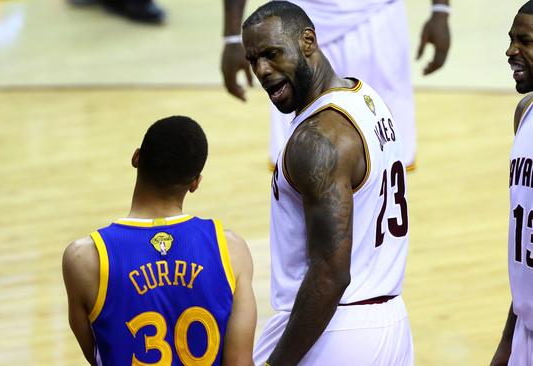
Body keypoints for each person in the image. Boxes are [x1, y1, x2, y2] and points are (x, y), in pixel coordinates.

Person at [242, 2, 412, 365]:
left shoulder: (317, 140)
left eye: (272, 54)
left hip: (335, 331)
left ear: (308, 41)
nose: (262, 71)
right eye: (253, 60)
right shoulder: (366, 98)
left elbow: (331, 273)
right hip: (390, 322)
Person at [62, 116, 256, 365]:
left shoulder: (84, 259)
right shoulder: (231, 250)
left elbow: (98, 355)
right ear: (195, 183)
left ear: (136, 158)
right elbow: (239, 362)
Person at [222, 0, 451, 170]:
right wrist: (232, 37)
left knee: (386, 162)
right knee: (300, 165)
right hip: (295, 25)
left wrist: (441, 10)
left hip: (378, 18)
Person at [491, 2, 533, 365]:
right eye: (511, 39)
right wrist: (507, 342)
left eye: (525, 41)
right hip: (525, 329)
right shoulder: (524, 113)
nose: (511, 51)